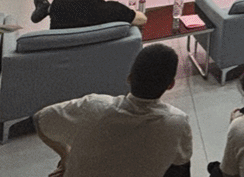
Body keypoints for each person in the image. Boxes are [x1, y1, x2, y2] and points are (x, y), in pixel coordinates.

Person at [34, 44, 193, 177]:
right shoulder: (178, 122)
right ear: (170, 85)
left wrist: (65, 156)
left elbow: (39, 119)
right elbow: (181, 164)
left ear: (129, 77)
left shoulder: (93, 106)